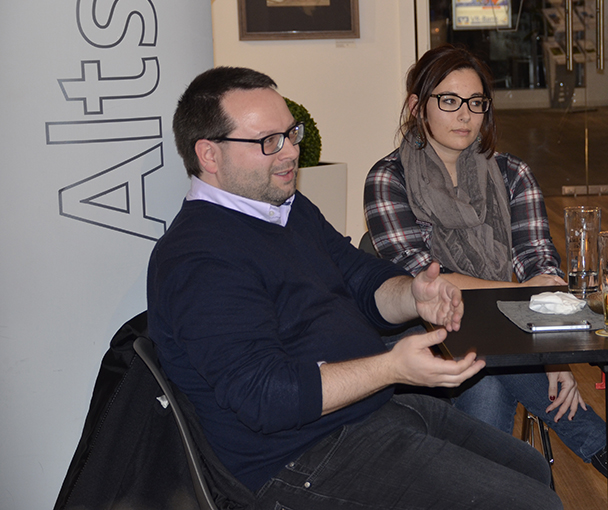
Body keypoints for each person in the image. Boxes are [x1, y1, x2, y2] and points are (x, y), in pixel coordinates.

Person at [146, 66, 563, 510]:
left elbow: (361, 278)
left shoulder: (286, 208)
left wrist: (414, 295)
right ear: (209, 155)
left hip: (368, 413)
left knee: (531, 469)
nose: (290, 152)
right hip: (297, 460)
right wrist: (391, 368)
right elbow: (266, 398)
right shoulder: (198, 258)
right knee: (532, 504)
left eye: (290, 134)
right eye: (269, 141)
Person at [364, 44, 608, 500]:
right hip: (420, 337)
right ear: (416, 106)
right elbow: (425, 280)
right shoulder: (389, 178)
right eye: (449, 100)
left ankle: (490, 494)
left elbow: (540, 265)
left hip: (507, 336)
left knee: (486, 375)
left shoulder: (512, 174)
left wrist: (555, 357)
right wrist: (522, 299)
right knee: (484, 361)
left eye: (476, 102)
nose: (465, 115)